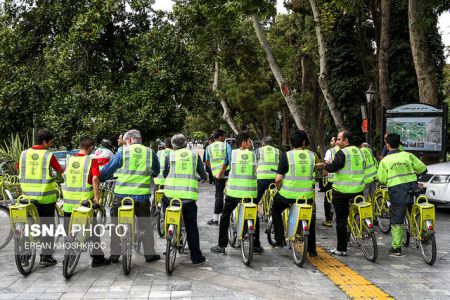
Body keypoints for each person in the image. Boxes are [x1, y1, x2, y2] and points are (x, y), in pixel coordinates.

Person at [101, 129, 161, 263]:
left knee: (116, 224)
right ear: (139, 139)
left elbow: (109, 169)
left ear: (128, 140)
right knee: (144, 225)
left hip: (121, 196)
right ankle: (149, 254)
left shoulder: (123, 151)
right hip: (142, 197)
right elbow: (156, 171)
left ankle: (115, 255)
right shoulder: (150, 152)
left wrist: (99, 177)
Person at [210, 132, 263, 255]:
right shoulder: (254, 155)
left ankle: (221, 246)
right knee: (254, 215)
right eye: (249, 141)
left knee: (225, 216)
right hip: (250, 193)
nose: (251, 143)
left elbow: (224, 166)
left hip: (234, 193)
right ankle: (256, 245)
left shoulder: (232, 154)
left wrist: (218, 175)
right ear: (244, 143)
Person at [61, 137, 111, 267]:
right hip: (85, 204)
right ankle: (97, 258)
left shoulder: (70, 159)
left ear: (80, 146)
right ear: (91, 148)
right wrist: (97, 197)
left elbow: (64, 175)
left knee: (69, 232)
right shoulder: (91, 160)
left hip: (68, 203)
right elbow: (95, 178)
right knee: (93, 230)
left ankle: (68, 258)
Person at [316, 130, 366, 256]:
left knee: (341, 221)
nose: (337, 142)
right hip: (358, 190)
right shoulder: (360, 152)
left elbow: (333, 167)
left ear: (346, 141)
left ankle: (341, 248)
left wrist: (324, 166)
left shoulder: (342, 152)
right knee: (355, 214)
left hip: (342, 192)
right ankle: (357, 233)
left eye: (339, 139)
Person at [18, 128, 63, 266]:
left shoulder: (24, 154)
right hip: (45, 198)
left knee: (27, 227)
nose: (51, 145)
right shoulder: (48, 155)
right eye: (50, 142)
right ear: (44, 142)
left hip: (27, 198)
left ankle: (25, 258)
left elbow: (19, 169)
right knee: (47, 227)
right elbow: (60, 171)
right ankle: (46, 257)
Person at [377, 133, 427, 256]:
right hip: (412, 188)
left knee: (397, 219)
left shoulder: (386, 160)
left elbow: (382, 179)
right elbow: (423, 169)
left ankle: (396, 248)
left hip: (397, 191)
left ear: (387, 145)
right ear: (399, 144)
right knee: (414, 210)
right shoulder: (408, 155)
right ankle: (424, 234)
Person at [162, 134, 207, 264]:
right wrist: (203, 178)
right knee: (191, 227)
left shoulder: (169, 155)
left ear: (173, 145)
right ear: (185, 143)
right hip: (188, 198)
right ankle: (196, 257)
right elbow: (202, 173)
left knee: (167, 218)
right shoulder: (193, 155)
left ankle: (170, 242)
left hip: (170, 196)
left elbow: (165, 173)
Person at [272, 130, 317, 256]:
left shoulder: (286, 156)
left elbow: (278, 179)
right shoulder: (311, 156)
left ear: (291, 143)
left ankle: (280, 239)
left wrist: (279, 187)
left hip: (288, 196)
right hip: (306, 196)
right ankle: (312, 250)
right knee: (310, 218)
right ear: (303, 142)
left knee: (275, 210)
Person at [205, 129, 231, 225]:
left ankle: (216, 219)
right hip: (227, 172)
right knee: (230, 195)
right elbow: (229, 159)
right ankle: (227, 217)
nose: (224, 138)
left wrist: (213, 170)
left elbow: (207, 161)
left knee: (219, 195)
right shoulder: (226, 145)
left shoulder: (209, 147)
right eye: (224, 136)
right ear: (220, 137)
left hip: (217, 175)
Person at [256, 136, 280, 203]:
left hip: (261, 179)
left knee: (255, 200)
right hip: (275, 179)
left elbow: (254, 164)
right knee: (276, 197)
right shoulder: (277, 151)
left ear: (263, 143)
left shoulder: (258, 150)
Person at [322, 136, 339, 227]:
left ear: (336, 141)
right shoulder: (345, 151)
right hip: (340, 181)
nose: (331, 142)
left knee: (328, 199)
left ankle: (328, 219)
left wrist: (324, 174)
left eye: (332, 141)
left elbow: (326, 164)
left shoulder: (330, 151)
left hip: (330, 180)